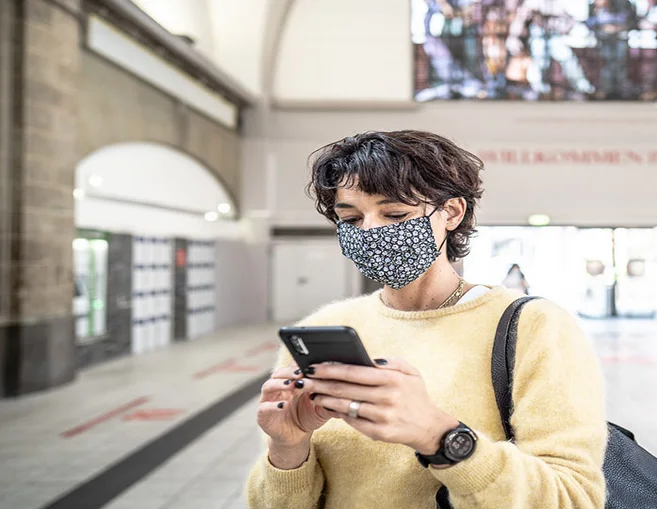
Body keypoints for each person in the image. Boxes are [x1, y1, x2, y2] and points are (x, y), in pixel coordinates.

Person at [245, 131, 607, 508]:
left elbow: (573, 498)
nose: (370, 231)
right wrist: (287, 449)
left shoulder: (534, 327)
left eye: (395, 214)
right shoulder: (325, 325)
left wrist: (439, 436)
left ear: (451, 213)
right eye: (351, 218)